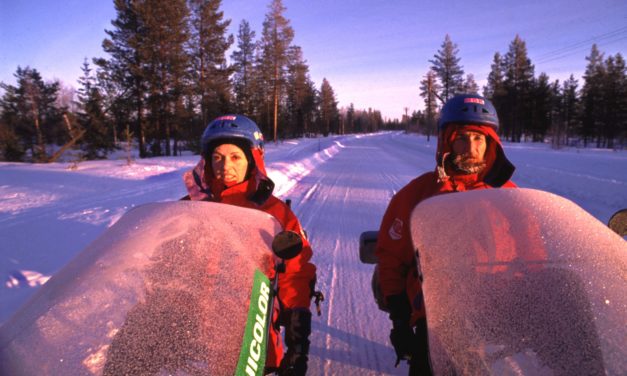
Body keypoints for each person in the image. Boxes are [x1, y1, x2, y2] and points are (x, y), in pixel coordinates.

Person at [374, 94, 517, 375]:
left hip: (501, 309)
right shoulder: (417, 195)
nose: (472, 148)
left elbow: (536, 252)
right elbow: (391, 259)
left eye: (479, 139)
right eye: (463, 138)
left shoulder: (509, 196)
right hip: (438, 315)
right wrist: (400, 320)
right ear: (447, 141)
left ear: (491, 143)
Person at [182, 114, 317, 375]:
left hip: (255, 332)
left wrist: (298, 335)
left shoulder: (275, 214)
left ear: (252, 160)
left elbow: (296, 273)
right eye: (217, 157)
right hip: (200, 335)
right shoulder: (192, 208)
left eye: (235, 157)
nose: (225, 166)